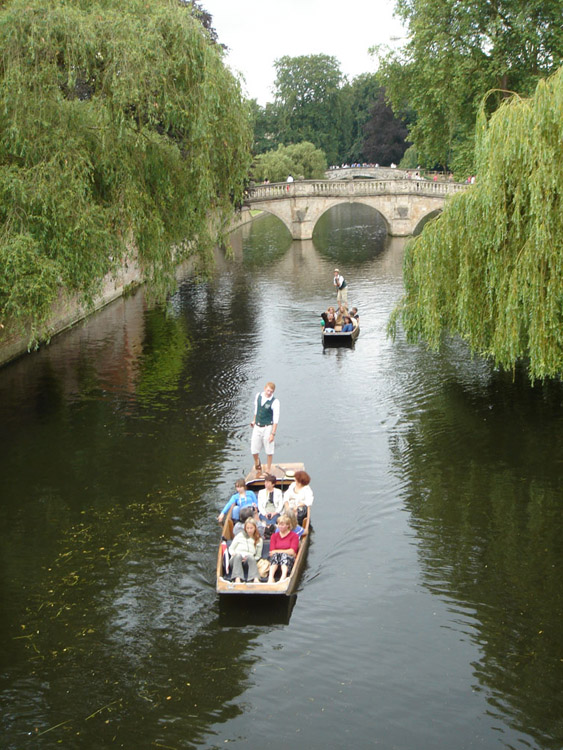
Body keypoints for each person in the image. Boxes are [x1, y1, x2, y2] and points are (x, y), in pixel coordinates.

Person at [250, 382, 280, 475]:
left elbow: (276, 419)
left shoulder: (275, 402)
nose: (269, 393)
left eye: (271, 391)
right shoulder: (258, 396)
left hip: (268, 426)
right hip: (257, 426)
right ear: (264, 389)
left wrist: (273, 434)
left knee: (269, 449)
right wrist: (254, 421)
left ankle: (268, 468)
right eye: (268, 390)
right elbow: (256, 410)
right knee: (254, 449)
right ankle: (257, 463)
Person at [229, 517, 263, 583]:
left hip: (248, 561)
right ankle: (237, 579)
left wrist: (248, 558)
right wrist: (233, 554)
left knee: (251, 557)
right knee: (238, 556)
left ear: (255, 528)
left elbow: (258, 556)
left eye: (251, 528)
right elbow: (231, 548)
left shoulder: (259, 540)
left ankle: (255, 579)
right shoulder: (239, 535)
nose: (249, 530)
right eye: (248, 528)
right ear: (245, 528)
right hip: (236, 559)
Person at [267, 514, 300, 583]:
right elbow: (271, 552)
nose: (280, 527)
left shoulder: (294, 536)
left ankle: (283, 577)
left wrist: (278, 551)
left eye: (282, 525)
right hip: (277, 558)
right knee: (275, 556)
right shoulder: (274, 536)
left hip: (288, 558)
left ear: (288, 525)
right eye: (279, 524)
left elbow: (292, 551)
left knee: (283, 555)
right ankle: (271, 577)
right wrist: (281, 551)